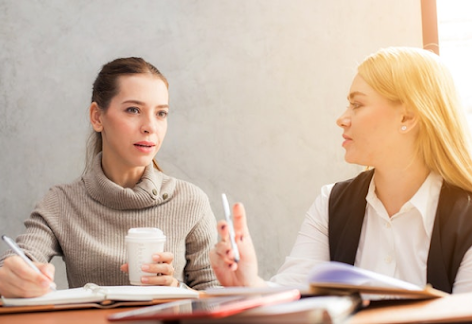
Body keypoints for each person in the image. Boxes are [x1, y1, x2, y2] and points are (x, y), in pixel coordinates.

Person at [210, 47, 472, 294]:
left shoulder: (466, 216)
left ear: (406, 118)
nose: (342, 118)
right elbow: (292, 296)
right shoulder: (331, 203)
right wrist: (249, 283)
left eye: (357, 105)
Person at [0, 57, 219, 298]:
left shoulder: (191, 201)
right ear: (97, 117)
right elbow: (20, 259)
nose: (150, 127)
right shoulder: (61, 202)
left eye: (161, 113)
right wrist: (12, 275)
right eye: (133, 110)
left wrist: (177, 290)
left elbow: (217, 298)